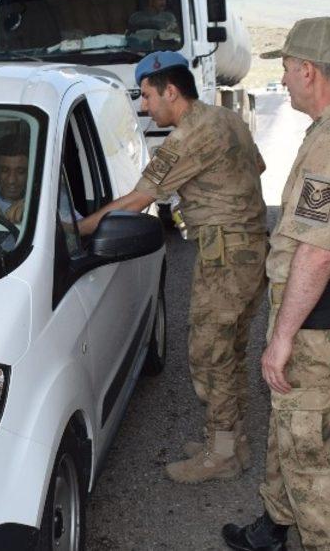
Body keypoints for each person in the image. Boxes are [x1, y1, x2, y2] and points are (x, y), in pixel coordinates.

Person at [222, 17, 330, 551]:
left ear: (307, 71)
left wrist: (281, 338)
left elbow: (318, 250)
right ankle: (274, 526)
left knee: (317, 456)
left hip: (319, 322)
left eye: (285, 68)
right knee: (295, 428)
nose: (283, 79)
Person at [78, 51, 268, 484]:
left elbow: (138, 199)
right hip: (252, 251)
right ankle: (230, 442)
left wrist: (79, 228)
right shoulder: (228, 119)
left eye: (147, 96)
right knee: (231, 351)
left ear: (171, 91)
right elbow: (257, 165)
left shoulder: (188, 137)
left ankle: (222, 455)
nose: (145, 107)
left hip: (225, 260)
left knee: (209, 355)